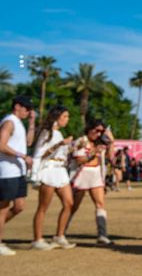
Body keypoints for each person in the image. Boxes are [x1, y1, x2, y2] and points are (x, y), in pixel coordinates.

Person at [31, 106, 76, 250]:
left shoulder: (59, 133)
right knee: (43, 207)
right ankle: (38, 239)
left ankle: (59, 236)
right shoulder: (47, 133)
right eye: (65, 116)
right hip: (49, 170)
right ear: (57, 117)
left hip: (61, 170)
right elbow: (40, 153)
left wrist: (71, 148)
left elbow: (60, 153)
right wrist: (60, 144)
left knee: (69, 203)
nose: (67, 119)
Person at [68, 118, 114, 244]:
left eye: (101, 131)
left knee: (100, 204)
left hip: (96, 173)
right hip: (82, 173)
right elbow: (79, 159)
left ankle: (102, 234)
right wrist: (94, 153)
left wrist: (111, 142)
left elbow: (111, 157)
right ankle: (61, 232)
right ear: (90, 128)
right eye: (97, 130)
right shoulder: (81, 141)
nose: (99, 134)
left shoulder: (101, 142)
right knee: (73, 206)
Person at [0, 96, 36, 256]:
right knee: (2, 208)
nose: (29, 112)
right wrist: (22, 156)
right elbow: (1, 144)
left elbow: (28, 142)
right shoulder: (9, 121)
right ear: (17, 107)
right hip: (7, 171)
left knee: (19, 206)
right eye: (27, 109)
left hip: (18, 172)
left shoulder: (19, 122)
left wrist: (32, 123)